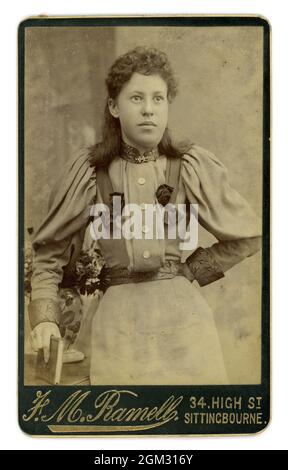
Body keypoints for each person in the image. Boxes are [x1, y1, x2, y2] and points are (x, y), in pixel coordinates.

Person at [28, 46, 261, 385]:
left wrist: (192, 269)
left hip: (187, 327)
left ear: (168, 105)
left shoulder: (190, 167)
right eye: (136, 98)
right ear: (114, 107)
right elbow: (48, 256)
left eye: (158, 99)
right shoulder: (90, 173)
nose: (149, 110)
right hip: (116, 328)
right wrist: (45, 319)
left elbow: (250, 234)